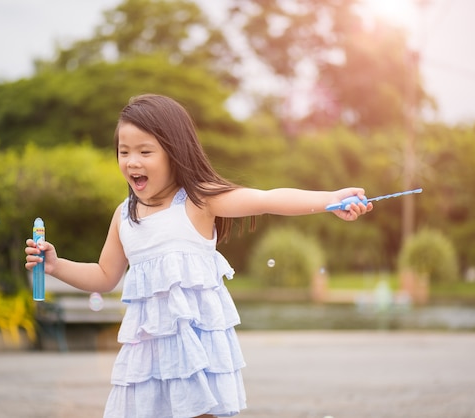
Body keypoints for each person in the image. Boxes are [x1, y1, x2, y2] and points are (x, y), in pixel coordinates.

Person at [25, 94, 373, 418]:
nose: (132, 162)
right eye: (124, 151)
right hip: (147, 356)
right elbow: (104, 275)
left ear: (175, 152)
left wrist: (331, 198)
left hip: (198, 350)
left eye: (145, 152)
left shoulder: (198, 201)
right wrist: (56, 266)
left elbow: (267, 199)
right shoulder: (124, 216)